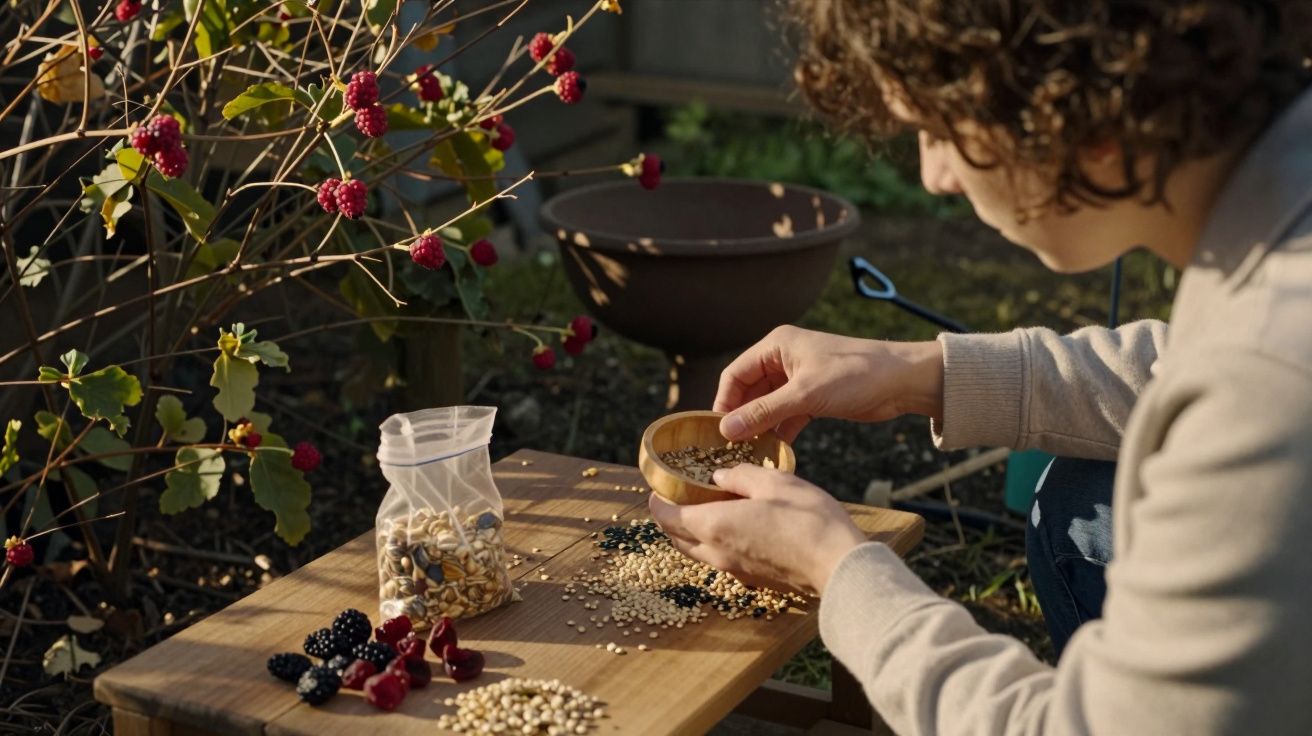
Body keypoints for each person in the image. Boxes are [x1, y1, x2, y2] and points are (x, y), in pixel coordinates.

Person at [647, 1, 1312, 733]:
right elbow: (1177, 368)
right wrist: (918, 371)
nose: (934, 175)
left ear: (1074, 110)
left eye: (939, 130)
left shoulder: (1270, 382)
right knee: (1082, 496)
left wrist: (839, 574)